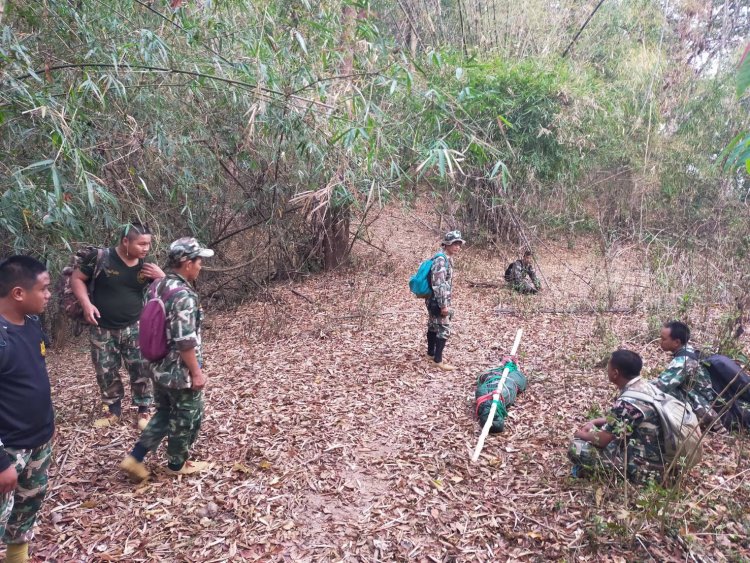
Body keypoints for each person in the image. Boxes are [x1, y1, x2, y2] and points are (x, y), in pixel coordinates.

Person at [120, 238, 213, 481]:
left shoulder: (157, 286)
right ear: (186, 263)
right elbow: (185, 341)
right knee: (187, 415)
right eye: (198, 260)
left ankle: (135, 457)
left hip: (157, 364)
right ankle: (177, 463)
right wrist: (196, 372)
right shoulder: (183, 295)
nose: (201, 265)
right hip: (178, 370)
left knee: (163, 412)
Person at [70, 223, 165, 429]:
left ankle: (144, 411)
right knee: (105, 370)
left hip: (136, 326)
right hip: (102, 327)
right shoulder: (102, 258)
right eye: (141, 244)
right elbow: (76, 278)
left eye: (148, 244)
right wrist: (86, 305)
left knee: (141, 368)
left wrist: (162, 277)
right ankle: (113, 410)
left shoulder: (146, 267)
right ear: (125, 241)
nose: (146, 249)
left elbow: (167, 294)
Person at [0, 256, 54, 563]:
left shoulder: (32, 324)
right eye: (44, 289)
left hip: (38, 441)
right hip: (8, 449)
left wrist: (48, 424)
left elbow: (34, 376)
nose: (49, 295)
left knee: (25, 512)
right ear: (18, 293)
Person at [568, 350, 669, 485]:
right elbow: (626, 418)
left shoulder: (627, 402)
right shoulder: (645, 387)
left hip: (646, 469)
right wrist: (595, 421)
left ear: (615, 373)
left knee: (576, 447)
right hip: (663, 460)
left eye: (608, 367)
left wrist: (581, 434)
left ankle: (626, 475)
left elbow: (602, 440)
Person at [654, 321, 718, 429]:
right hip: (706, 401)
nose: (661, 342)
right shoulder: (690, 350)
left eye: (664, 339)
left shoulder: (682, 361)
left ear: (676, 342)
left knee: (662, 394)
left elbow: (661, 386)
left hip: (703, 409)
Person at [425, 231, 465, 371]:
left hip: (434, 299)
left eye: (459, 244)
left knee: (433, 325)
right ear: (447, 244)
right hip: (437, 300)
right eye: (454, 244)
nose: (457, 247)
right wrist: (443, 305)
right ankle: (438, 360)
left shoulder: (446, 258)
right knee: (444, 328)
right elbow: (439, 284)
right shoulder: (441, 260)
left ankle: (431, 354)